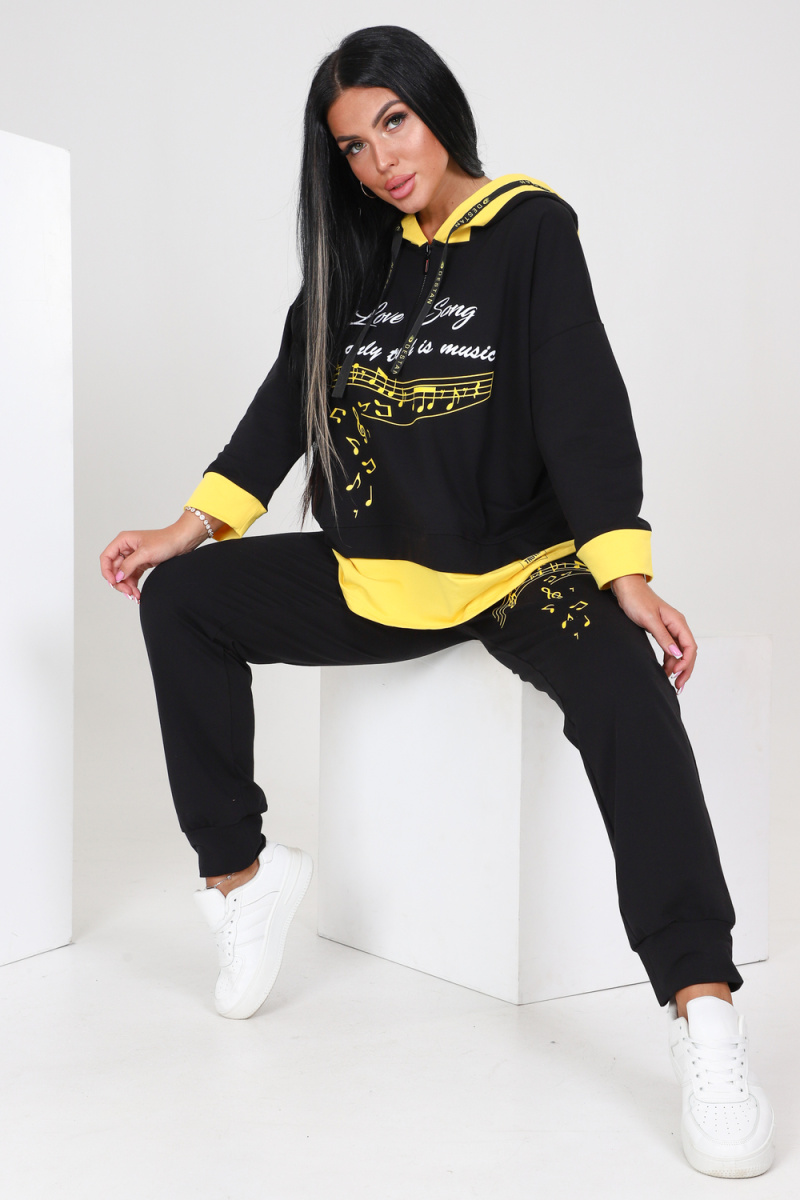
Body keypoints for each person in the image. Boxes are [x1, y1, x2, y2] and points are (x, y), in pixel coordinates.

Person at [99, 25, 774, 1178]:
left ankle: (701, 1015)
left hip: (520, 576)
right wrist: (189, 527)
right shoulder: (354, 256)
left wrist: (621, 570)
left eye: (392, 124)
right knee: (181, 601)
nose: (379, 161)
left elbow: (580, 404)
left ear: (434, 107)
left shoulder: (528, 230)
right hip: (374, 576)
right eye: (352, 147)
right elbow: (283, 405)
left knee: (628, 700)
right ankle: (240, 881)